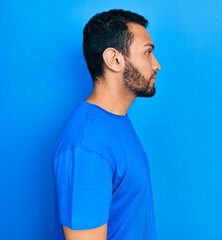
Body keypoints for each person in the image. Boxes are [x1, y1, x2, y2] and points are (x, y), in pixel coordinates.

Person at [53, 9, 161, 240]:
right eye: (148, 53)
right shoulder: (86, 145)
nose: (156, 65)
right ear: (114, 59)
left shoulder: (115, 121)